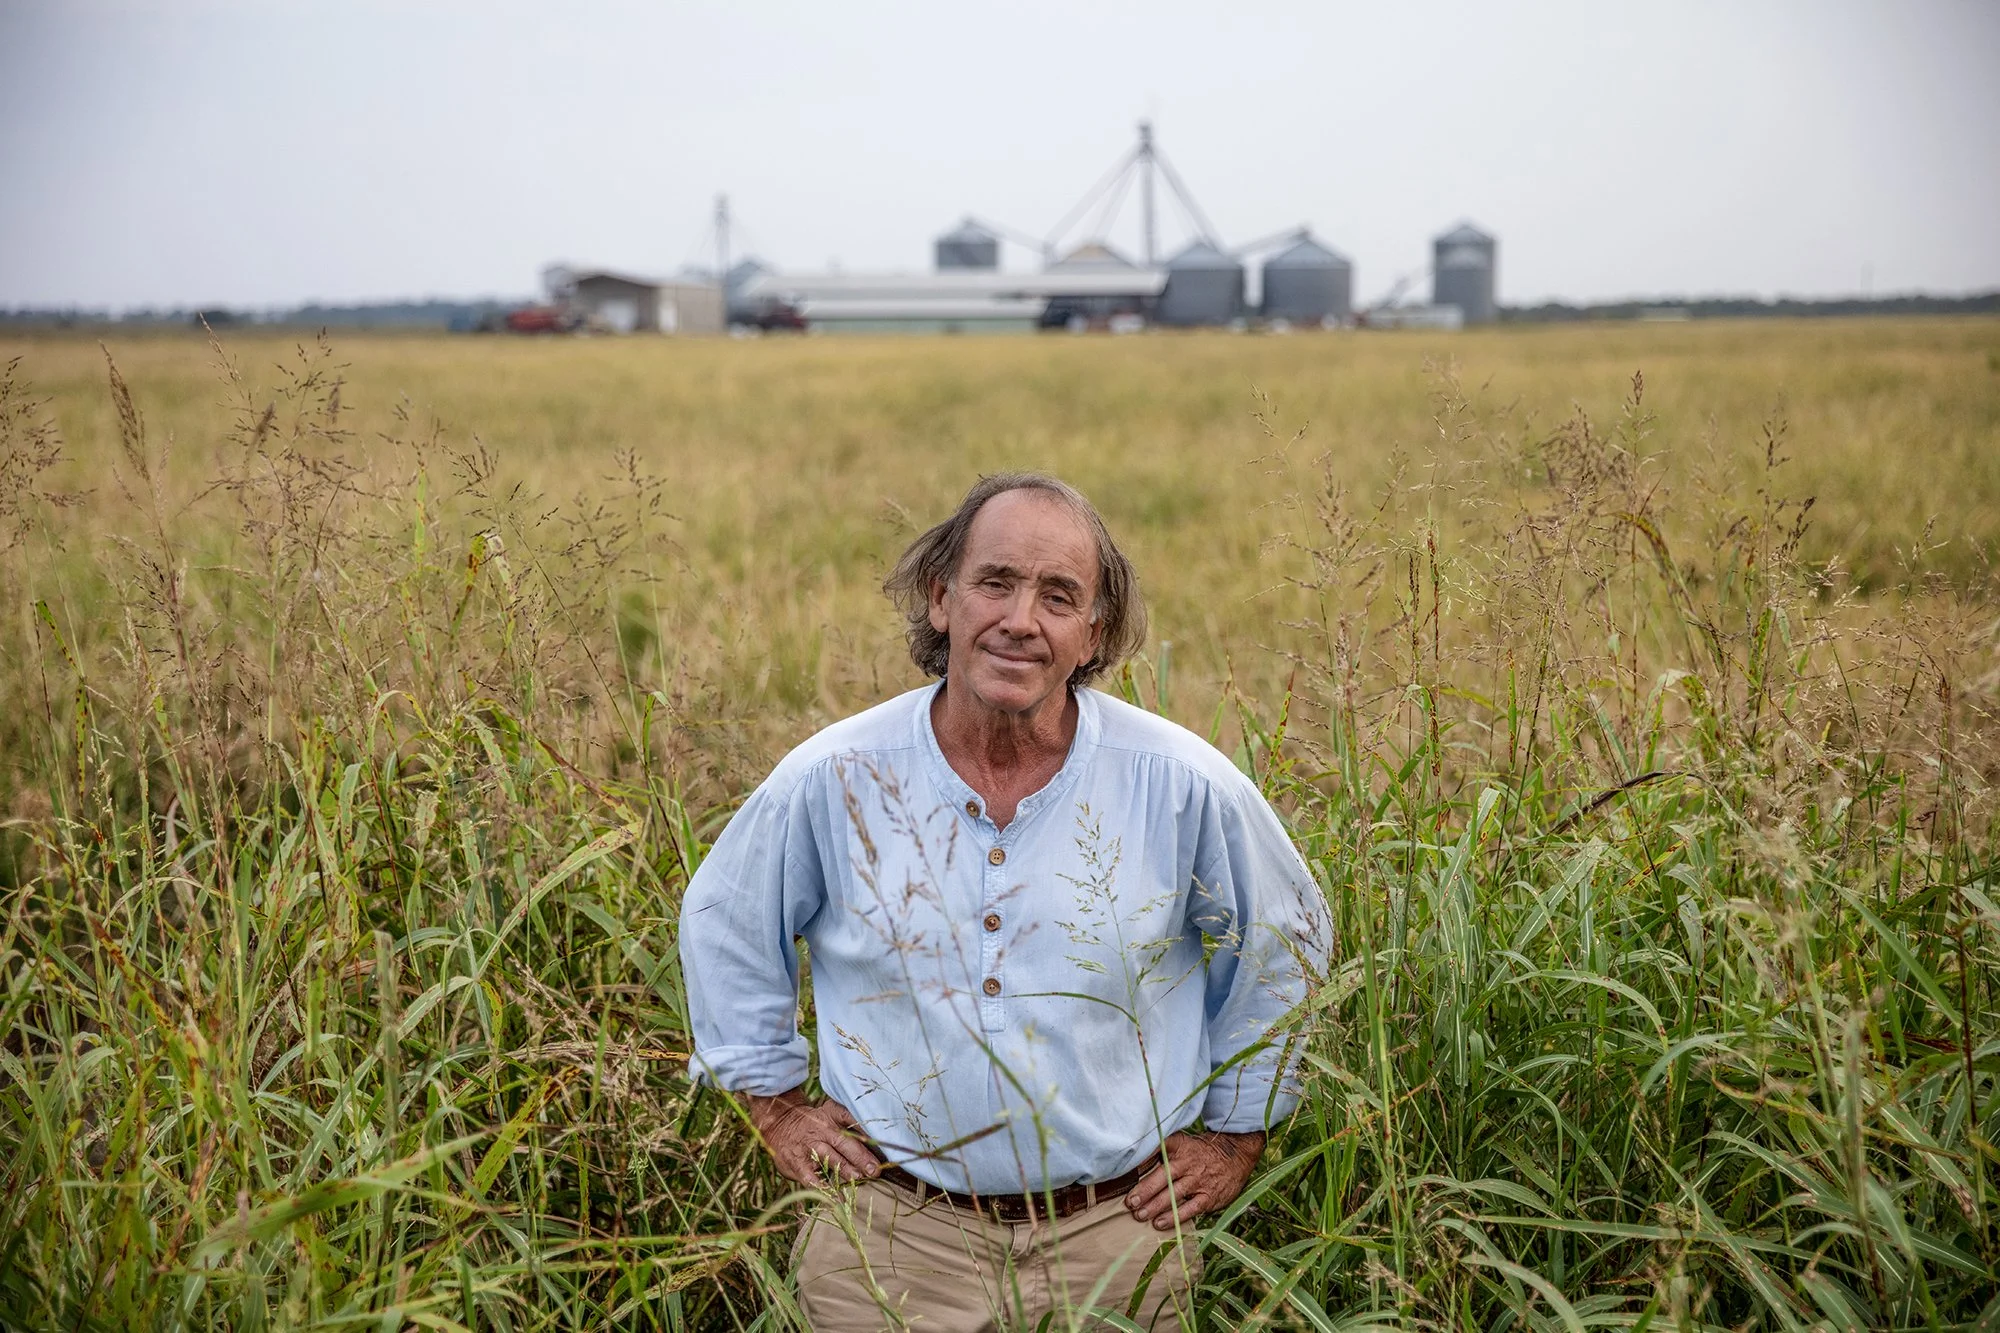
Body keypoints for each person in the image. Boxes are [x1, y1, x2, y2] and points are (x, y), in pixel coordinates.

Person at [679, 473, 1331, 1329]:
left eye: (1058, 597)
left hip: (1116, 1237)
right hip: (889, 1240)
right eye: (996, 583)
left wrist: (1236, 1135)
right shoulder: (835, 776)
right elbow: (726, 920)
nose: (1021, 619)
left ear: (1092, 632)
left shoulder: (1178, 783)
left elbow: (1286, 940)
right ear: (941, 597)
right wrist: (774, 1103)